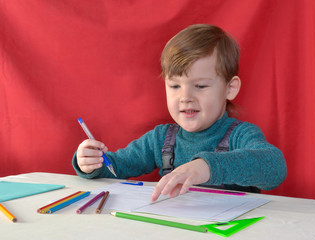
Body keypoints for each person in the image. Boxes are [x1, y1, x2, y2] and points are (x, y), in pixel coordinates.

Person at [72, 24, 287, 202]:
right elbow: (115, 169)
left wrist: (206, 167)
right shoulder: (161, 139)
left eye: (200, 86)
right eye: (175, 86)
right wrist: (92, 163)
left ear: (230, 88)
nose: (185, 97)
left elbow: (275, 167)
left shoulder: (241, 135)